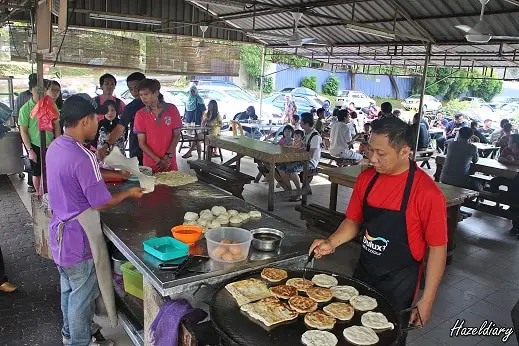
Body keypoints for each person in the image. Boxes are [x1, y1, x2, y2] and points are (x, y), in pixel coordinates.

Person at [309, 117, 447, 345]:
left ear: (405, 152)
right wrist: (331, 242)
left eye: (380, 154)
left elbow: (438, 250)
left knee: (388, 339)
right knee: (352, 332)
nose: (372, 158)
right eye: (370, 150)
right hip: (364, 271)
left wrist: (427, 299)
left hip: (400, 282)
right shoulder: (366, 179)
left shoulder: (427, 193)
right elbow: (354, 221)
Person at [46, 94, 144, 346]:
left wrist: (114, 172)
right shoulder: (83, 156)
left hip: (59, 232)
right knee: (82, 295)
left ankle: (70, 335)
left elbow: (83, 171)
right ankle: (79, 342)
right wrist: (128, 192)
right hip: (79, 237)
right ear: (85, 121)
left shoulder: (57, 146)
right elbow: (99, 202)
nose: (98, 123)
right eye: (95, 119)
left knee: (69, 289)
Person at [19, 79, 62, 196]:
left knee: (51, 171)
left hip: (51, 143)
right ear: (30, 90)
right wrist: (30, 150)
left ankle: (49, 195)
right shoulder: (25, 109)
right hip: (35, 144)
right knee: (37, 172)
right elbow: (23, 131)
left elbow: (57, 125)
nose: (40, 93)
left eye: (43, 90)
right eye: (37, 90)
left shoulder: (50, 104)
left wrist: (58, 143)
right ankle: (39, 195)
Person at [134, 79, 182, 173]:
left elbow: (176, 135)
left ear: (156, 93)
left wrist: (168, 156)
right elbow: (141, 143)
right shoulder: (140, 114)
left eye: (146, 94)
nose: (143, 98)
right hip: (150, 164)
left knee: (174, 186)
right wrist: (158, 160)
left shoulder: (172, 109)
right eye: (141, 95)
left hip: (169, 162)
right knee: (152, 187)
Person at [97, 72, 146, 164]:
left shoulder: (162, 105)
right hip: (137, 146)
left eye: (136, 87)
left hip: (158, 147)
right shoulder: (131, 107)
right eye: (131, 89)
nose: (134, 91)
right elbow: (120, 127)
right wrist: (105, 146)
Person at [491, 134, 519, 236]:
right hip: (508, 176)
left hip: (516, 179)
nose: (508, 142)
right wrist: (507, 160)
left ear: (515, 143)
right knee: (494, 182)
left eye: (510, 141)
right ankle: (497, 199)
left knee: (515, 193)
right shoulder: (507, 149)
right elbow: (500, 158)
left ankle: (515, 221)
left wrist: (514, 161)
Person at [14, 73, 37, 192]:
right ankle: (30, 182)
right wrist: (21, 130)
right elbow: (16, 114)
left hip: (38, 132)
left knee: (35, 159)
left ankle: (35, 182)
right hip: (26, 129)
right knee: (30, 155)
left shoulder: (44, 97)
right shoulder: (22, 97)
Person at [182, 85, 206, 159]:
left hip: (197, 122)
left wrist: (202, 120)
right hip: (189, 121)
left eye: (194, 91)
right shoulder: (188, 99)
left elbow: (203, 111)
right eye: (191, 91)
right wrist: (184, 118)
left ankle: (195, 155)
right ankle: (192, 152)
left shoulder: (199, 99)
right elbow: (186, 110)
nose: (192, 93)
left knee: (197, 139)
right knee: (194, 138)